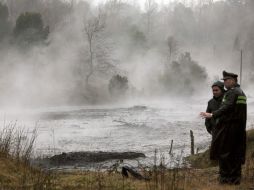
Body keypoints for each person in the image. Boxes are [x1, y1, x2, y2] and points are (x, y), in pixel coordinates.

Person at [200, 71, 247, 185]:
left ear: (231, 80)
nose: (224, 82)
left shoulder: (231, 93)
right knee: (234, 153)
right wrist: (212, 129)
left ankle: (227, 179)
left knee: (226, 154)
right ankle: (233, 179)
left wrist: (212, 115)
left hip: (230, 129)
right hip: (238, 128)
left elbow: (227, 107)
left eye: (225, 80)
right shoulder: (241, 92)